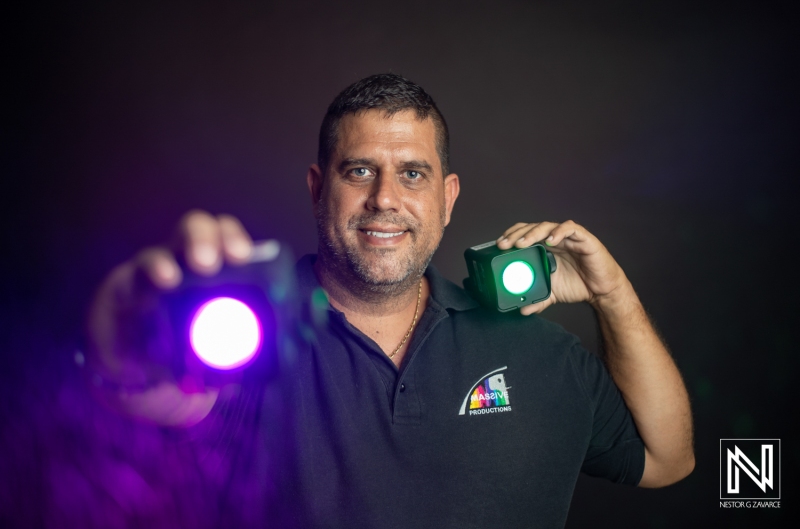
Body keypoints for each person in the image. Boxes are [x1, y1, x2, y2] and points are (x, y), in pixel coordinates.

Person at [86, 74, 694, 527]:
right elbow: (148, 396)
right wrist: (125, 343)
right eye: (358, 172)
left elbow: (670, 460)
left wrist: (613, 296)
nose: (384, 199)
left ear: (447, 198)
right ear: (319, 189)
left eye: (412, 174)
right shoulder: (243, 337)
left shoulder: (541, 352)